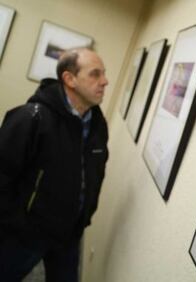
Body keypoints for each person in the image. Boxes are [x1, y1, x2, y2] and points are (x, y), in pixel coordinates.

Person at [0, 48, 109, 282]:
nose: (104, 81)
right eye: (95, 74)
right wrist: (16, 223)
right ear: (69, 79)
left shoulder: (98, 126)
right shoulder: (31, 118)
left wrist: (85, 217)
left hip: (69, 235)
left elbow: (93, 174)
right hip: (24, 235)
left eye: (104, 74)